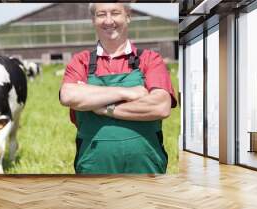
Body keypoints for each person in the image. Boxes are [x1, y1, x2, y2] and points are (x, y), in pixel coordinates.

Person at [59, 3, 177, 174]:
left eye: (115, 13)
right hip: (93, 167)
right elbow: (69, 96)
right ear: (93, 20)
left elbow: (160, 106)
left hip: (147, 167)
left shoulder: (150, 59)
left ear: (128, 16)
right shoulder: (81, 61)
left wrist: (105, 108)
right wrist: (126, 92)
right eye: (101, 14)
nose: (108, 20)